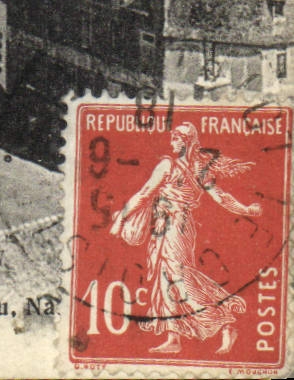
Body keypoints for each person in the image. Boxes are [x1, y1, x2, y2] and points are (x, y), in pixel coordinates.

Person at [109, 122, 262, 354]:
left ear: (187, 141)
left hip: (175, 226)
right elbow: (220, 197)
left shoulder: (172, 166)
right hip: (166, 226)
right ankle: (174, 337)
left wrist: (121, 218)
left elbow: (145, 193)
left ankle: (224, 323)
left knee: (178, 276)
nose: (172, 142)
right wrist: (246, 209)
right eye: (172, 137)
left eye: (177, 138)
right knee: (164, 278)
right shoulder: (193, 166)